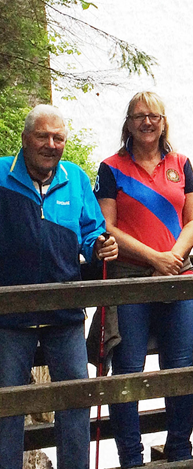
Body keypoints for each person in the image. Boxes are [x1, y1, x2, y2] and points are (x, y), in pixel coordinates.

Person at [0, 105, 117, 469]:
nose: (50, 144)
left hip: (65, 312)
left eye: (58, 138)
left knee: (76, 402)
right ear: (25, 139)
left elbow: (92, 230)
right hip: (9, 315)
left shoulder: (75, 177)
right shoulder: (2, 174)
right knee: (6, 408)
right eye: (42, 136)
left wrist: (100, 245)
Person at [95, 91, 193, 466]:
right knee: (128, 369)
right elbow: (107, 226)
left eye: (154, 115)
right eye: (139, 116)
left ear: (163, 121)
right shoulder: (110, 167)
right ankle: (131, 457)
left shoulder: (181, 163)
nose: (147, 122)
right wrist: (154, 258)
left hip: (178, 274)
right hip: (130, 278)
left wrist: (173, 258)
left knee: (180, 367)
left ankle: (179, 452)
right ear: (128, 123)